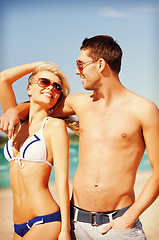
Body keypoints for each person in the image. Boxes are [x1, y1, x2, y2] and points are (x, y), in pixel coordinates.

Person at [0, 35, 159, 240]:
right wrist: (14, 110)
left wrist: (130, 217)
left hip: (118, 224)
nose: (77, 71)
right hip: (77, 224)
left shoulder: (144, 110)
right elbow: (41, 105)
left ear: (100, 64)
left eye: (80, 64)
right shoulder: (79, 103)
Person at [0, 62, 72, 240]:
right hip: (18, 226)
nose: (52, 88)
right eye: (44, 82)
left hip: (46, 221)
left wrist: (65, 230)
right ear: (29, 89)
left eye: (57, 87)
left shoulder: (54, 126)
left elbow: (62, 181)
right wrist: (39, 64)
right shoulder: (16, 124)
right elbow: (3, 79)